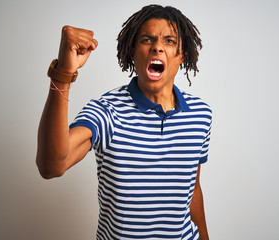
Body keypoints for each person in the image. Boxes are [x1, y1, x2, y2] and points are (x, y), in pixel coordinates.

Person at [36, 4, 212, 240]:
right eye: (147, 39)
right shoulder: (106, 112)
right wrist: (64, 74)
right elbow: (51, 166)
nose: (157, 47)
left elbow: (193, 190)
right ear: (131, 51)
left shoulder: (200, 114)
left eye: (169, 41)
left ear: (183, 55)